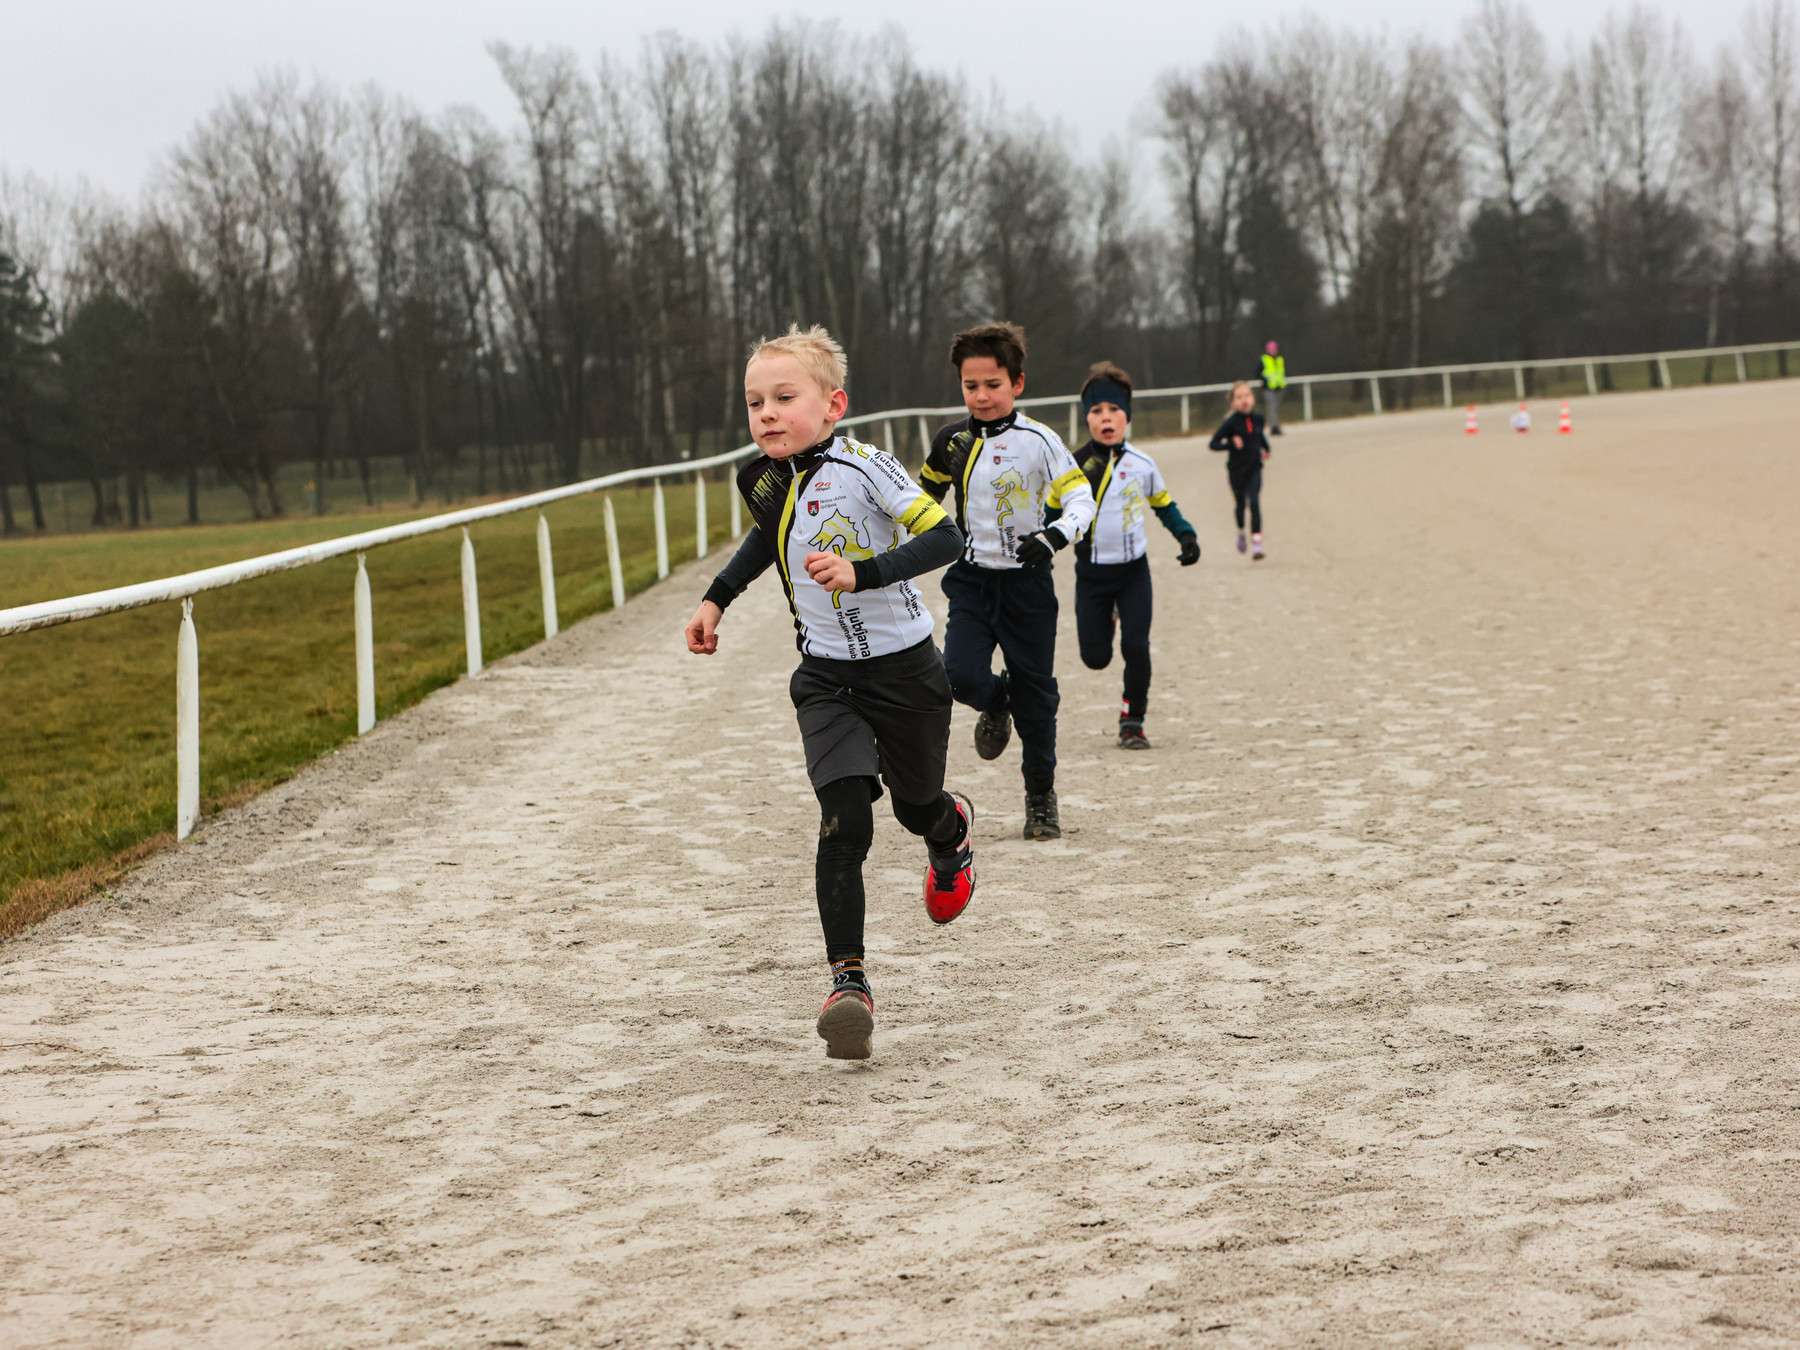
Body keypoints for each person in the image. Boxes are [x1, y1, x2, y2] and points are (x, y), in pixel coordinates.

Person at [683, 324, 974, 1062]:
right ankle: (849, 985)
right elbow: (767, 537)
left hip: (907, 673)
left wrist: (863, 572)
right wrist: (716, 599)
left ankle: (951, 835)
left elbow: (946, 538)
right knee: (844, 822)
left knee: (915, 807)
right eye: (755, 402)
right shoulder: (762, 479)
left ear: (833, 405)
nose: (767, 414)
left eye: (785, 398)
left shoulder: (867, 467)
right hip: (826, 679)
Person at [921, 322, 1096, 841]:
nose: (981, 396)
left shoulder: (1040, 441)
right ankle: (998, 703)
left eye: (992, 385)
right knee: (959, 677)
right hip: (971, 581)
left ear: (1017, 383)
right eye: (970, 385)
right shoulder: (950, 441)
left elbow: (1082, 499)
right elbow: (919, 503)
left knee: (1037, 700)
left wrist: (1054, 537)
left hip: (1028, 587)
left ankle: (1040, 797)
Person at [1070, 362, 1200, 750]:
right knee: (1095, 658)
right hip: (1091, 575)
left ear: (1127, 415)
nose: (1106, 418)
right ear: (1087, 418)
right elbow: (1052, 515)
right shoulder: (1073, 467)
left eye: (1114, 410)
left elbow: (1164, 505)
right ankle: (1107, 618)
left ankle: (1132, 720)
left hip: (1133, 574)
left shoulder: (1142, 464)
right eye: (1097, 411)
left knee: (1137, 647)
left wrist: (1186, 535)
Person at [1210, 380, 1271, 560]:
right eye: (1239, 397)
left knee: (1255, 502)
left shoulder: (1258, 419)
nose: (1244, 400)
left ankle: (1257, 545)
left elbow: (1259, 436)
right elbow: (1213, 444)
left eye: (1247, 395)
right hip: (1236, 471)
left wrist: (1266, 448)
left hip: (1255, 468)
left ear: (1253, 398)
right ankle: (1241, 532)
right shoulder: (1230, 423)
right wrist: (1230, 444)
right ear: (1233, 402)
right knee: (1240, 505)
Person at [1260, 340, 1287, 435]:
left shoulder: (1280, 359)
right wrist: (1266, 381)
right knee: (1272, 408)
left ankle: (1275, 425)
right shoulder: (1264, 359)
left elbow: (1281, 372)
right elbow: (1258, 373)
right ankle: (1274, 427)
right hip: (1269, 388)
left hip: (1279, 387)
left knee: (1275, 408)